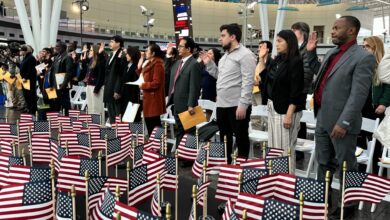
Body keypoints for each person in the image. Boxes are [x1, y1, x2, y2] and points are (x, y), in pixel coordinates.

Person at [308, 16, 375, 219]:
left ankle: (348, 207)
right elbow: (319, 77)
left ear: (352, 31)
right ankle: (321, 203)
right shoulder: (331, 52)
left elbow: (358, 95)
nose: (333, 31)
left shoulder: (363, 57)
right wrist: (310, 54)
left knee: (346, 166)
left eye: (337, 28)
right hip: (322, 118)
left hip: (341, 124)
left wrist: (344, 122)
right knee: (323, 164)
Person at [200, 23, 256, 163]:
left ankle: (241, 170)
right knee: (225, 139)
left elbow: (248, 81)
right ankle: (227, 166)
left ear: (232, 37)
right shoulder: (225, 56)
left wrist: (243, 104)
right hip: (222, 105)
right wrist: (209, 64)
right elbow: (219, 76)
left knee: (241, 138)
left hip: (237, 105)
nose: (220, 39)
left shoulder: (245, 55)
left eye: (223, 36)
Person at [258, 30, 305, 171]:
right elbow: (265, 79)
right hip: (273, 107)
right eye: (276, 41)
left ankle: (287, 183)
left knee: (285, 150)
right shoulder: (278, 59)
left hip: (286, 110)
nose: (276, 44)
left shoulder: (296, 61)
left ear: (289, 42)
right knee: (274, 148)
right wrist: (261, 59)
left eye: (280, 41)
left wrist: (289, 115)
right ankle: (275, 180)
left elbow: (296, 91)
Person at [359, 36, 390, 173]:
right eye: (363, 46)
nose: (364, 48)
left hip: (376, 107)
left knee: (375, 141)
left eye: (367, 46)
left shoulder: (382, 65)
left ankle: (377, 171)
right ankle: (361, 169)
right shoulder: (363, 63)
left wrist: (383, 103)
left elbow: (388, 87)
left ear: (375, 48)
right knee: (360, 138)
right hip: (362, 105)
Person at [168, 37, 202, 147]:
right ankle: (180, 155)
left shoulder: (194, 64)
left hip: (187, 105)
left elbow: (194, 86)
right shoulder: (177, 63)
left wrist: (191, 104)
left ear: (188, 49)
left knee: (189, 133)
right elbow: (167, 72)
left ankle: (188, 158)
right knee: (179, 131)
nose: (178, 48)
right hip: (177, 103)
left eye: (181, 46)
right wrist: (168, 56)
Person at [291, 22, 316, 160]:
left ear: (302, 32)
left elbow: (307, 71)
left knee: (299, 120)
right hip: (294, 89)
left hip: (300, 89)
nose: (292, 32)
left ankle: (299, 152)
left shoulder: (307, 48)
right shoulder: (295, 48)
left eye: (294, 30)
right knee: (295, 120)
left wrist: (297, 86)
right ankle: (294, 148)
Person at [137, 44, 166, 135]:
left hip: (153, 99)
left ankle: (157, 145)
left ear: (153, 53)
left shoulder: (158, 64)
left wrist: (143, 85)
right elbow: (141, 75)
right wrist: (141, 62)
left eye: (147, 51)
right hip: (148, 97)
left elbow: (156, 83)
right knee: (150, 123)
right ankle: (154, 145)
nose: (145, 52)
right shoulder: (149, 62)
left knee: (153, 124)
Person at [103, 35, 125, 125]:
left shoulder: (122, 54)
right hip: (109, 87)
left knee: (117, 114)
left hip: (115, 88)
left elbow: (120, 74)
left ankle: (119, 134)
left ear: (118, 43)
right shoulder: (111, 54)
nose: (110, 43)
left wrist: (117, 90)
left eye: (112, 41)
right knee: (111, 112)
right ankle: (113, 131)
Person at [48, 41, 74, 115]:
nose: (56, 48)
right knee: (55, 104)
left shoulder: (67, 57)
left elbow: (69, 73)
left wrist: (64, 84)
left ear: (63, 48)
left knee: (65, 104)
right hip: (54, 84)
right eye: (56, 46)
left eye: (58, 46)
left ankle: (67, 120)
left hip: (62, 85)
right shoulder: (57, 57)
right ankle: (57, 119)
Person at [82, 44, 106, 115]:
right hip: (89, 85)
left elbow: (101, 76)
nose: (90, 52)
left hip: (96, 87)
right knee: (91, 108)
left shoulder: (101, 60)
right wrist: (84, 53)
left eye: (91, 50)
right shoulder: (92, 60)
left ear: (95, 51)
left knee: (97, 108)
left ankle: (99, 124)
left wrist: (97, 89)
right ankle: (92, 124)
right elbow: (83, 65)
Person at [121, 46, 142, 122]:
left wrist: (133, 100)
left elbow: (135, 83)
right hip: (125, 96)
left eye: (128, 54)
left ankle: (134, 133)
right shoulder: (127, 66)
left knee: (132, 119)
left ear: (132, 55)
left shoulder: (136, 67)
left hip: (132, 97)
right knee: (125, 119)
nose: (126, 55)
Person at [19, 45, 37, 114]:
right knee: (26, 95)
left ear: (26, 51)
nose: (21, 51)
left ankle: (33, 110)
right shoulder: (26, 57)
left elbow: (31, 70)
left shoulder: (31, 58)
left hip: (29, 80)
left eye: (22, 50)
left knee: (30, 95)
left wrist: (25, 77)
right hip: (25, 80)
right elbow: (23, 67)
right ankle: (29, 108)